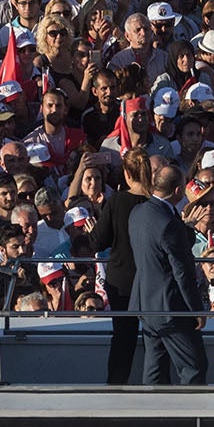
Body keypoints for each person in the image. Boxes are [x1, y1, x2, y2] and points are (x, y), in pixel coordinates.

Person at [128, 164, 209, 386]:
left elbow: (158, 250)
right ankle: (191, 419)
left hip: (146, 306)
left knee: (155, 370)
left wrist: (186, 230)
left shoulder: (138, 213)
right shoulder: (168, 224)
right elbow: (182, 272)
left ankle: (151, 418)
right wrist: (196, 310)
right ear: (177, 191)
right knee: (194, 367)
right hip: (172, 309)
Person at [89, 153, 148, 385]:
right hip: (149, 278)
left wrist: (94, 229)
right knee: (156, 334)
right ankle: (159, 384)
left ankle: (116, 385)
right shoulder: (156, 202)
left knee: (123, 336)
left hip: (122, 278)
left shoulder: (116, 201)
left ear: (126, 173)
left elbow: (98, 241)